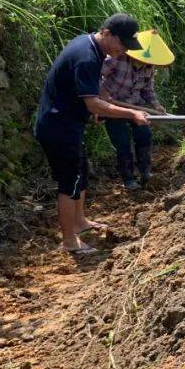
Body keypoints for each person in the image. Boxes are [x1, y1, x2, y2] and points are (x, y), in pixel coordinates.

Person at [34, 14, 150, 255]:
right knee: (70, 182)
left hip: (69, 124)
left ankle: (79, 222)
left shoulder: (89, 46)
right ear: (107, 34)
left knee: (81, 172)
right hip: (58, 128)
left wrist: (97, 102)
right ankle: (69, 241)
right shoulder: (87, 56)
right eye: (122, 44)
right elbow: (93, 104)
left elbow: (86, 90)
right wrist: (130, 114)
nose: (124, 50)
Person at [100, 29, 173, 190]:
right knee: (123, 143)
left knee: (144, 135)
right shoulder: (116, 59)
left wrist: (156, 105)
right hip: (113, 108)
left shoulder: (148, 68)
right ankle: (129, 179)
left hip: (136, 106)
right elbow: (96, 76)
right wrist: (102, 95)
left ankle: (145, 172)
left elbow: (148, 90)